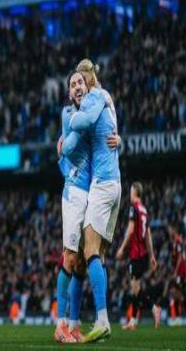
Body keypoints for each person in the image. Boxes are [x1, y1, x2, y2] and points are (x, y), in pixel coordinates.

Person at [54, 70, 120, 343]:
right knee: (69, 256)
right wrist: (65, 145)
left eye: (80, 82)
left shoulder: (92, 108)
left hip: (91, 190)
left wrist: (119, 139)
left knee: (81, 262)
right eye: (73, 84)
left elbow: (105, 134)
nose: (77, 87)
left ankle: (73, 323)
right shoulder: (68, 114)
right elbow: (68, 147)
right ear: (70, 93)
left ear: (87, 85)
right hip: (74, 191)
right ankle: (60, 324)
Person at [116, 182, 160, 330]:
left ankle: (154, 308)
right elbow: (148, 234)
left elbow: (130, 230)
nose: (130, 194)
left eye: (130, 191)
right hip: (144, 254)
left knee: (135, 288)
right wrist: (152, 255)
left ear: (135, 192)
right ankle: (133, 321)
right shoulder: (144, 210)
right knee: (136, 288)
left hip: (135, 253)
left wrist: (122, 248)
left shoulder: (133, 208)